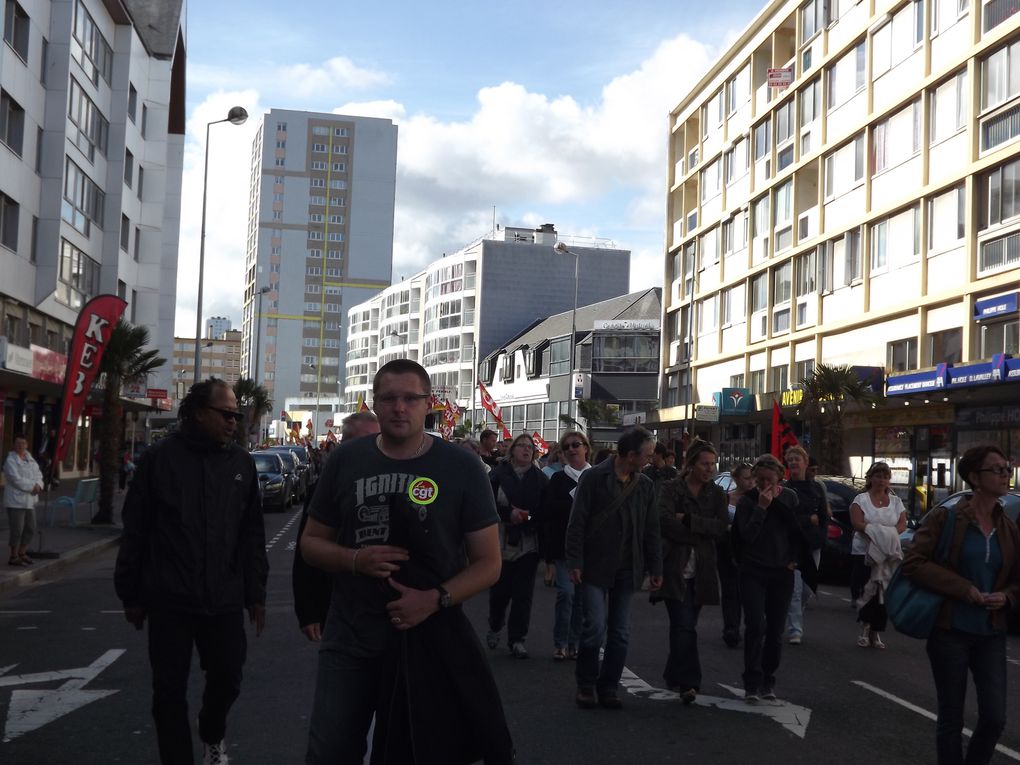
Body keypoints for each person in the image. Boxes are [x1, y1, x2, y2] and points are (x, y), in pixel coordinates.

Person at [300, 359, 512, 764]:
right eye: (389, 398)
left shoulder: (462, 466)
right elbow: (311, 544)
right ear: (375, 404)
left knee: (419, 752)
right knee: (330, 751)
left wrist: (433, 599)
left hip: (427, 641)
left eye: (410, 398)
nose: (400, 407)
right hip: (352, 639)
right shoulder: (346, 461)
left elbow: (489, 562)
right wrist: (355, 559)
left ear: (427, 403)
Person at [114, 378, 268, 765]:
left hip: (224, 599)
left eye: (238, 414)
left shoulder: (241, 464)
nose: (234, 421)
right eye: (226, 414)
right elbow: (136, 529)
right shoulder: (159, 460)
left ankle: (212, 731)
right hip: (170, 601)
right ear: (198, 413)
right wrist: (131, 594)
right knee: (168, 692)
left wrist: (256, 594)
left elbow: (251, 534)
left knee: (229, 677)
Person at [902, 445, 1020, 765]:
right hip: (950, 628)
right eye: (997, 469)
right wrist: (962, 588)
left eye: (1007, 469)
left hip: (990, 632)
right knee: (951, 717)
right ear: (974, 477)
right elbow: (914, 562)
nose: (1005, 474)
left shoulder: (1009, 527)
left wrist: (1007, 596)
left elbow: (1018, 580)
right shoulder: (947, 517)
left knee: (995, 718)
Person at [566, 426, 663, 710]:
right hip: (595, 564)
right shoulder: (594, 477)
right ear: (631, 455)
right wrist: (575, 561)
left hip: (628, 566)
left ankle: (608, 686)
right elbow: (577, 522)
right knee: (595, 627)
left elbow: (651, 530)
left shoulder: (644, 485)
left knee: (620, 632)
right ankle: (586, 684)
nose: (650, 458)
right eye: (647, 454)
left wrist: (655, 566)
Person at [731, 454, 816, 704]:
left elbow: (797, 532)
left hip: (781, 572)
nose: (765, 486)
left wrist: (794, 560)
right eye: (760, 481)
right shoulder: (748, 502)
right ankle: (751, 681)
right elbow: (745, 536)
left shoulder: (790, 498)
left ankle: (768, 679)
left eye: (770, 480)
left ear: (780, 478)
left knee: (776, 630)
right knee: (756, 625)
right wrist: (761, 508)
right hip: (753, 570)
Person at [292, 411, 380, 642]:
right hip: (337, 602)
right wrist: (308, 610)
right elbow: (307, 550)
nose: (374, 447)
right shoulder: (328, 485)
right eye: (366, 441)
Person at [653, 441, 728, 704]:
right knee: (684, 625)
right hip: (675, 566)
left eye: (712, 464)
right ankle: (689, 682)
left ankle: (673, 672)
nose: (709, 468)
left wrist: (688, 520)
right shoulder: (671, 488)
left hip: (703, 568)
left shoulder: (717, 494)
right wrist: (698, 532)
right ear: (692, 464)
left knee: (685, 626)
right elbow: (663, 521)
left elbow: (720, 527)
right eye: (704, 463)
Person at [486, 433, 549, 658]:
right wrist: (508, 513)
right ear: (512, 450)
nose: (525, 449)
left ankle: (517, 639)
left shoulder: (540, 479)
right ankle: (495, 625)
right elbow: (486, 504)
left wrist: (528, 518)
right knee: (500, 592)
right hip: (500, 538)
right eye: (521, 446)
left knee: (523, 594)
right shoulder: (497, 475)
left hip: (528, 541)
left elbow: (544, 512)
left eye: (529, 447)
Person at [540, 430, 591, 661]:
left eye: (576, 445)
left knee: (581, 598)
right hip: (563, 546)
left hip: (590, 547)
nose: (571, 449)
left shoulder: (596, 476)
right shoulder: (559, 479)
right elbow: (549, 510)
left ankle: (575, 642)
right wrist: (575, 502)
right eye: (567, 446)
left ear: (586, 448)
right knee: (566, 594)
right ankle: (560, 642)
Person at [850, 461, 906, 649]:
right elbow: (857, 523)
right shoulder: (861, 500)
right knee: (869, 589)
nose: (882, 480)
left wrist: (888, 536)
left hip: (888, 553)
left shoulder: (896, 502)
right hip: (865, 551)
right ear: (871, 478)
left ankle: (876, 631)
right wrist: (876, 533)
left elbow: (901, 524)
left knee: (884, 591)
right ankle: (865, 628)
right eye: (878, 476)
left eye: (885, 477)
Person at [783, 446, 830, 645]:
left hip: (813, 544)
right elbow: (785, 517)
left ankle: (789, 613)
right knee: (794, 589)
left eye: (797, 459)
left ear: (805, 463)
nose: (794, 463)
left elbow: (823, 516)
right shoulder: (784, 489)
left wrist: (821, 532)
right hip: (792, 545)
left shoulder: (817, 488)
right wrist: (805, 520)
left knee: (807, 589)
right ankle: (795, 629)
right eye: (790, 459)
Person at [719, 462, 753, 648]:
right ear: (737, 479)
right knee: (730, 589)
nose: (750, 482)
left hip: (749, 552)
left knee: (747, 591)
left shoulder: (758, 500)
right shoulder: (726, 499)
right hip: (727, 549)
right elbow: (718, 523)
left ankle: (752, 626)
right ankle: (731, 627)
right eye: (746, 478)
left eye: (752, 478)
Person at [4, 435, 44, 567]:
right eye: (17, 444)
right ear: (14, 445)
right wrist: (32, 487)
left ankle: (22, 553)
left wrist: (38, 485)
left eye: (22, 444)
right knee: (17, 529)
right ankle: (13, 556)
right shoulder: (10, 461)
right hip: (15, 501)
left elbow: (39, 475)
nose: (20, 446)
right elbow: (15, 479)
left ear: (26, 445)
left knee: (30, 527)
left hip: (30, 501)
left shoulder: (30, 459)